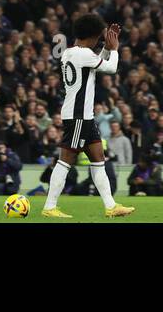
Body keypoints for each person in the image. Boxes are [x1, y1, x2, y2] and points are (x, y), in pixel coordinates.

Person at [41, 16, 134, 218]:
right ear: (91, 36)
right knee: (65, 160)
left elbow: (96, 63)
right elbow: (110, 67)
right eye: (99, 37)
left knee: (98, 158)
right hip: (78, 116)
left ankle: (111, 206)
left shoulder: (69, 53)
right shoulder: (84, 54)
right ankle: (49, 206)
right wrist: (114, 48)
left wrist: (107, 49)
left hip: (84, 116)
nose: (100, 41)